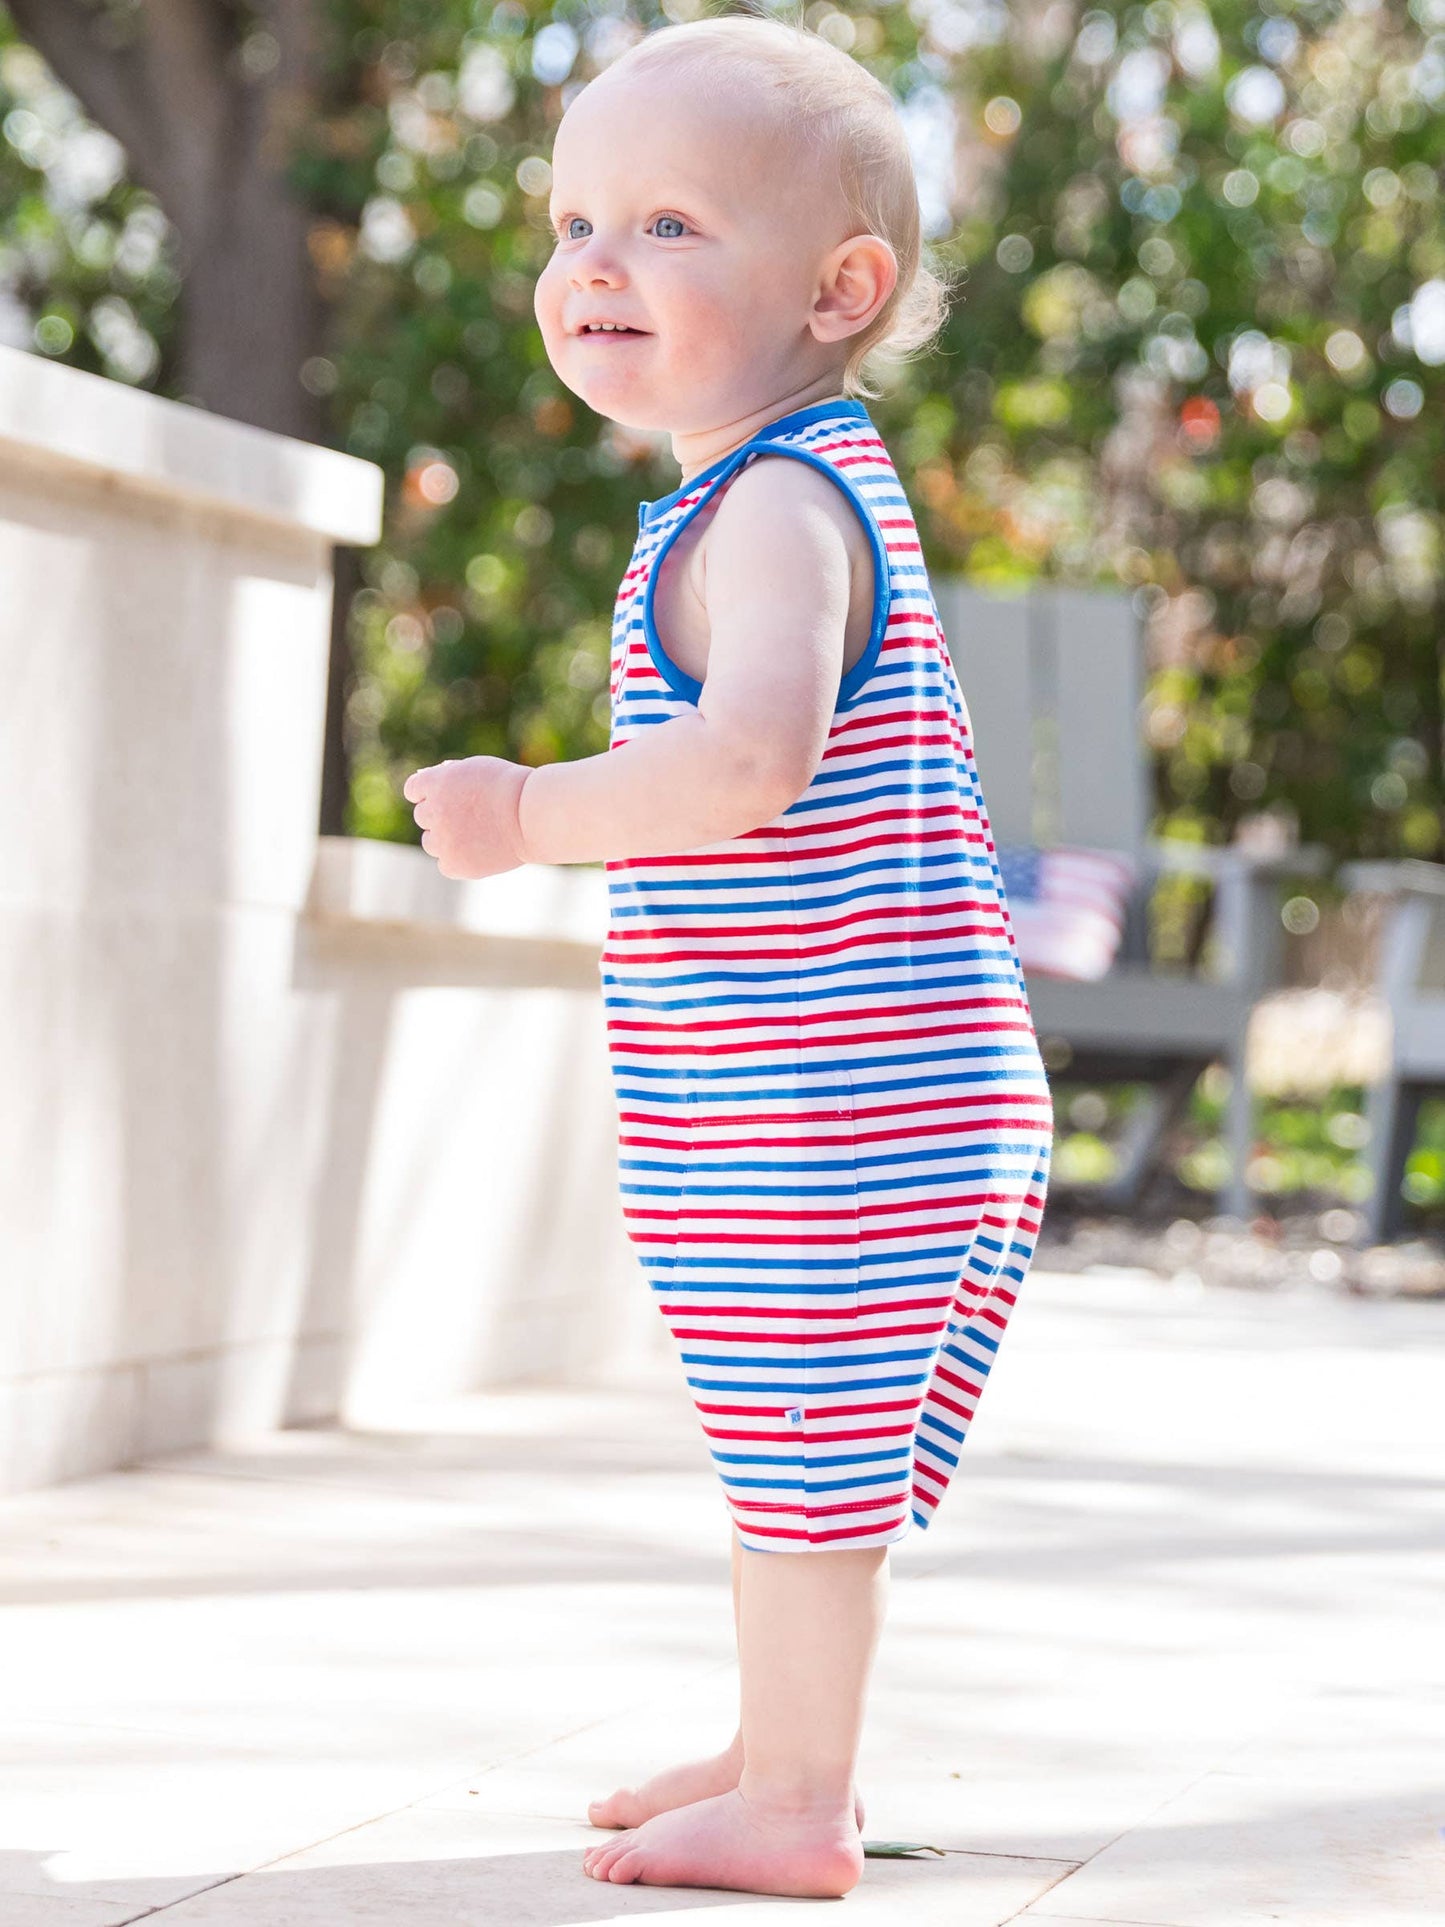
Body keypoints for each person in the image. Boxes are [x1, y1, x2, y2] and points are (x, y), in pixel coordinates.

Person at [402, 10, 1053, 1902]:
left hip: (838, 1107)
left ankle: (794, 1806)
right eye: (575, 220)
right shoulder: (754, 484)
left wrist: (533, 813)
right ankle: (783, 1743)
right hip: (824, 1090)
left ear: (837, 289)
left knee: (804, 1471)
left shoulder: (777, 503)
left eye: (670, 225)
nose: (597, 262)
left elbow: (752, 762)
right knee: (790, 1455)